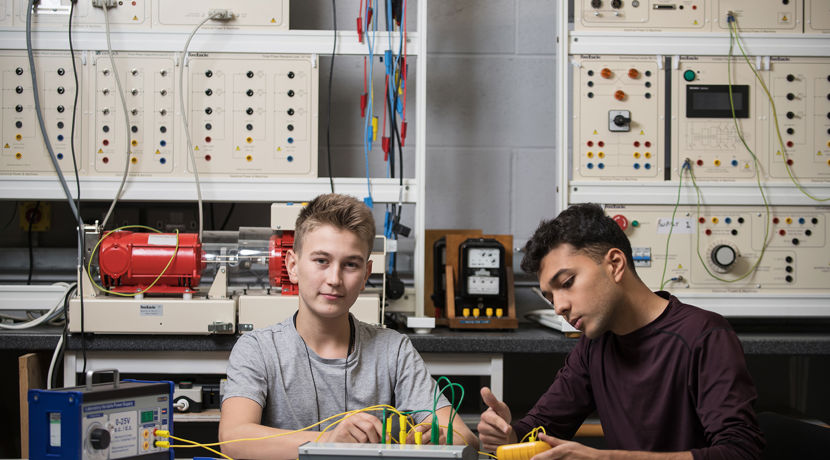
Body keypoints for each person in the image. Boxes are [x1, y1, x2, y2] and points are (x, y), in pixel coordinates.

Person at [478, 203, 765, 459]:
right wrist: (509, 436)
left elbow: (740, 451)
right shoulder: (594, 346)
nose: (559, 307)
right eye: (550, 298)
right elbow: (541, 428)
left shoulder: (705, 335)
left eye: (566, 283)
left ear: (615, 264)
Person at [219, 193, 476, 460]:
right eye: (321, 260)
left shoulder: (393, 350)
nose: (334, 279)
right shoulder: (258, 349)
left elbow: (466, 438)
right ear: (292, 266)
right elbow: (234, 438)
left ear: (365, 275)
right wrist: (328, 441)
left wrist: (444, 438)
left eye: (350, 265)